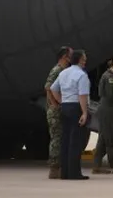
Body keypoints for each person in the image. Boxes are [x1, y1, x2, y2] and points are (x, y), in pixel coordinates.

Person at [49, 49, 91, 180]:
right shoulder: (81, 75)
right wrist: (84, 112)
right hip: (76, 106)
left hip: (66, 107)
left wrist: (62, 101)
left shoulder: (63, 73)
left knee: (65, 140)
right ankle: (74, 173)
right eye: (84, 58)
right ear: (79, 60)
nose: (85, 60)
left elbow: (53, 89)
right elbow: (82, 95)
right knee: (76, 141)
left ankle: (65, 173)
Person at [44, 46, 72, 179]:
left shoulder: (65, 71)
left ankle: (60, 166)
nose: (72, 57)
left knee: (61, 138)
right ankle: (54, 169)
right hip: (55, 111)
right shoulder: (57, 70)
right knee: (57, 138)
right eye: (70, 55)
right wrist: (55, 105)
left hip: (61, 109)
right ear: (64, 56)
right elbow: (48, 87)